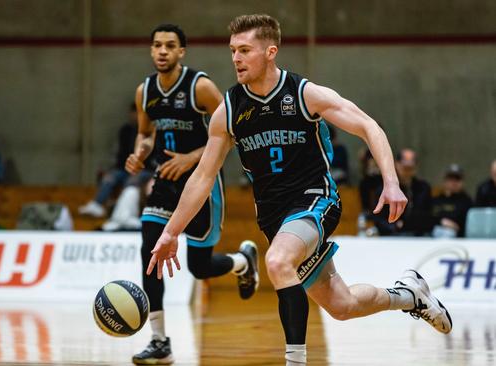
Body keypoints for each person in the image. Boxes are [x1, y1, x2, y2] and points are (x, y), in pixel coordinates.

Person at [145, 15, 452, 365]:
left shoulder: (304, 94)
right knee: (342, 305)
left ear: (270, 51)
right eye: (233, 51)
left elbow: (368, 126)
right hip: (275, 218)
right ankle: (410, 295)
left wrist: (392, 181)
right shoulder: (229, 111)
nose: (236, 58)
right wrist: (171, 232)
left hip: (315, 199)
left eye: (245, 50)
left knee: (276, 261)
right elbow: (201, 178)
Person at [126, 24, 259, 365]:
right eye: (157, 45)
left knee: (199, 267)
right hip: (165, 184)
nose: (162, 51)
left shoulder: (200, 87)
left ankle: (244, 262)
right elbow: (146, 133)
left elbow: (231, 132)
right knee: (150, 250)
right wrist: (140, 152)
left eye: (170, 46)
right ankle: (159, 340)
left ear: (181, 51)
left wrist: (190, 157)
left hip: (202, 183)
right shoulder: (145, 91)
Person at [79, 102, 154, 219]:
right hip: (125, 167)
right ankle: (97, 204)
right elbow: (119, 153)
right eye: (133, 113)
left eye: (138, 114)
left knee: (132, 181)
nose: (135, 116)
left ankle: (122, 213)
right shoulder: (125, 130)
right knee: (110, 177)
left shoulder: (152, 131)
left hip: (145, 169)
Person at [373, 148, 433, 236]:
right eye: (405, 168)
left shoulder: (423, 188)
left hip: (418, 235)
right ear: (397, 165)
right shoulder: (385, 189)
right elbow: (378, 218)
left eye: (410, 168)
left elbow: (427, 215)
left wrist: (409, 225)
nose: (407, 172)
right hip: (391, 235)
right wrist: (394, 226)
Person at [431, 164, 473, 238]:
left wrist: (455, 226)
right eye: (450, 178)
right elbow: (427, 218)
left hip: (458, 237)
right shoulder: (437, 199)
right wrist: (441, 221)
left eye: (457, 178)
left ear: (462, 182)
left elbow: (469, 224)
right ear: (445, 180)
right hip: (433, 235)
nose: (454, 181)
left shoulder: (467, 201)